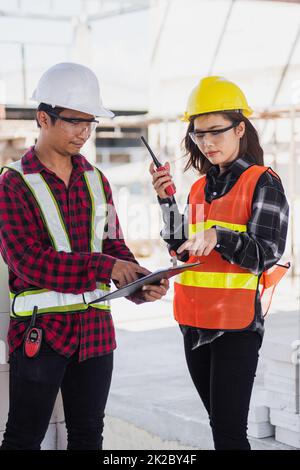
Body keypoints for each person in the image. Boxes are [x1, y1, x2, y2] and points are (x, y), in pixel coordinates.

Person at [0, 62, 169, 450]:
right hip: (40, 335)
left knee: (88, 435)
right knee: (23, 438)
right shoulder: (13, 183)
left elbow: (114, 247)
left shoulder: (97, 181)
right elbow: (27, 260)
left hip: (95, 334)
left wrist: (138, 284)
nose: (85, 132)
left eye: (90, 122)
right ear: (44, 118)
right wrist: (106, 266)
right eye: (75, 122)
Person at [149, 76, 289, 450]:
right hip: (193, 323)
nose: (206, 143)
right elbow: (182, 250)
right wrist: (167, 202)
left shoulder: (263, 182)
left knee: (228, 434)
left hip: (234, 328)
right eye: (198, 135)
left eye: (216, 132)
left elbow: (266, 253)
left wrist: (220, 236)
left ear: (240, 128)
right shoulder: (198, 187)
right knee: (219, 426)